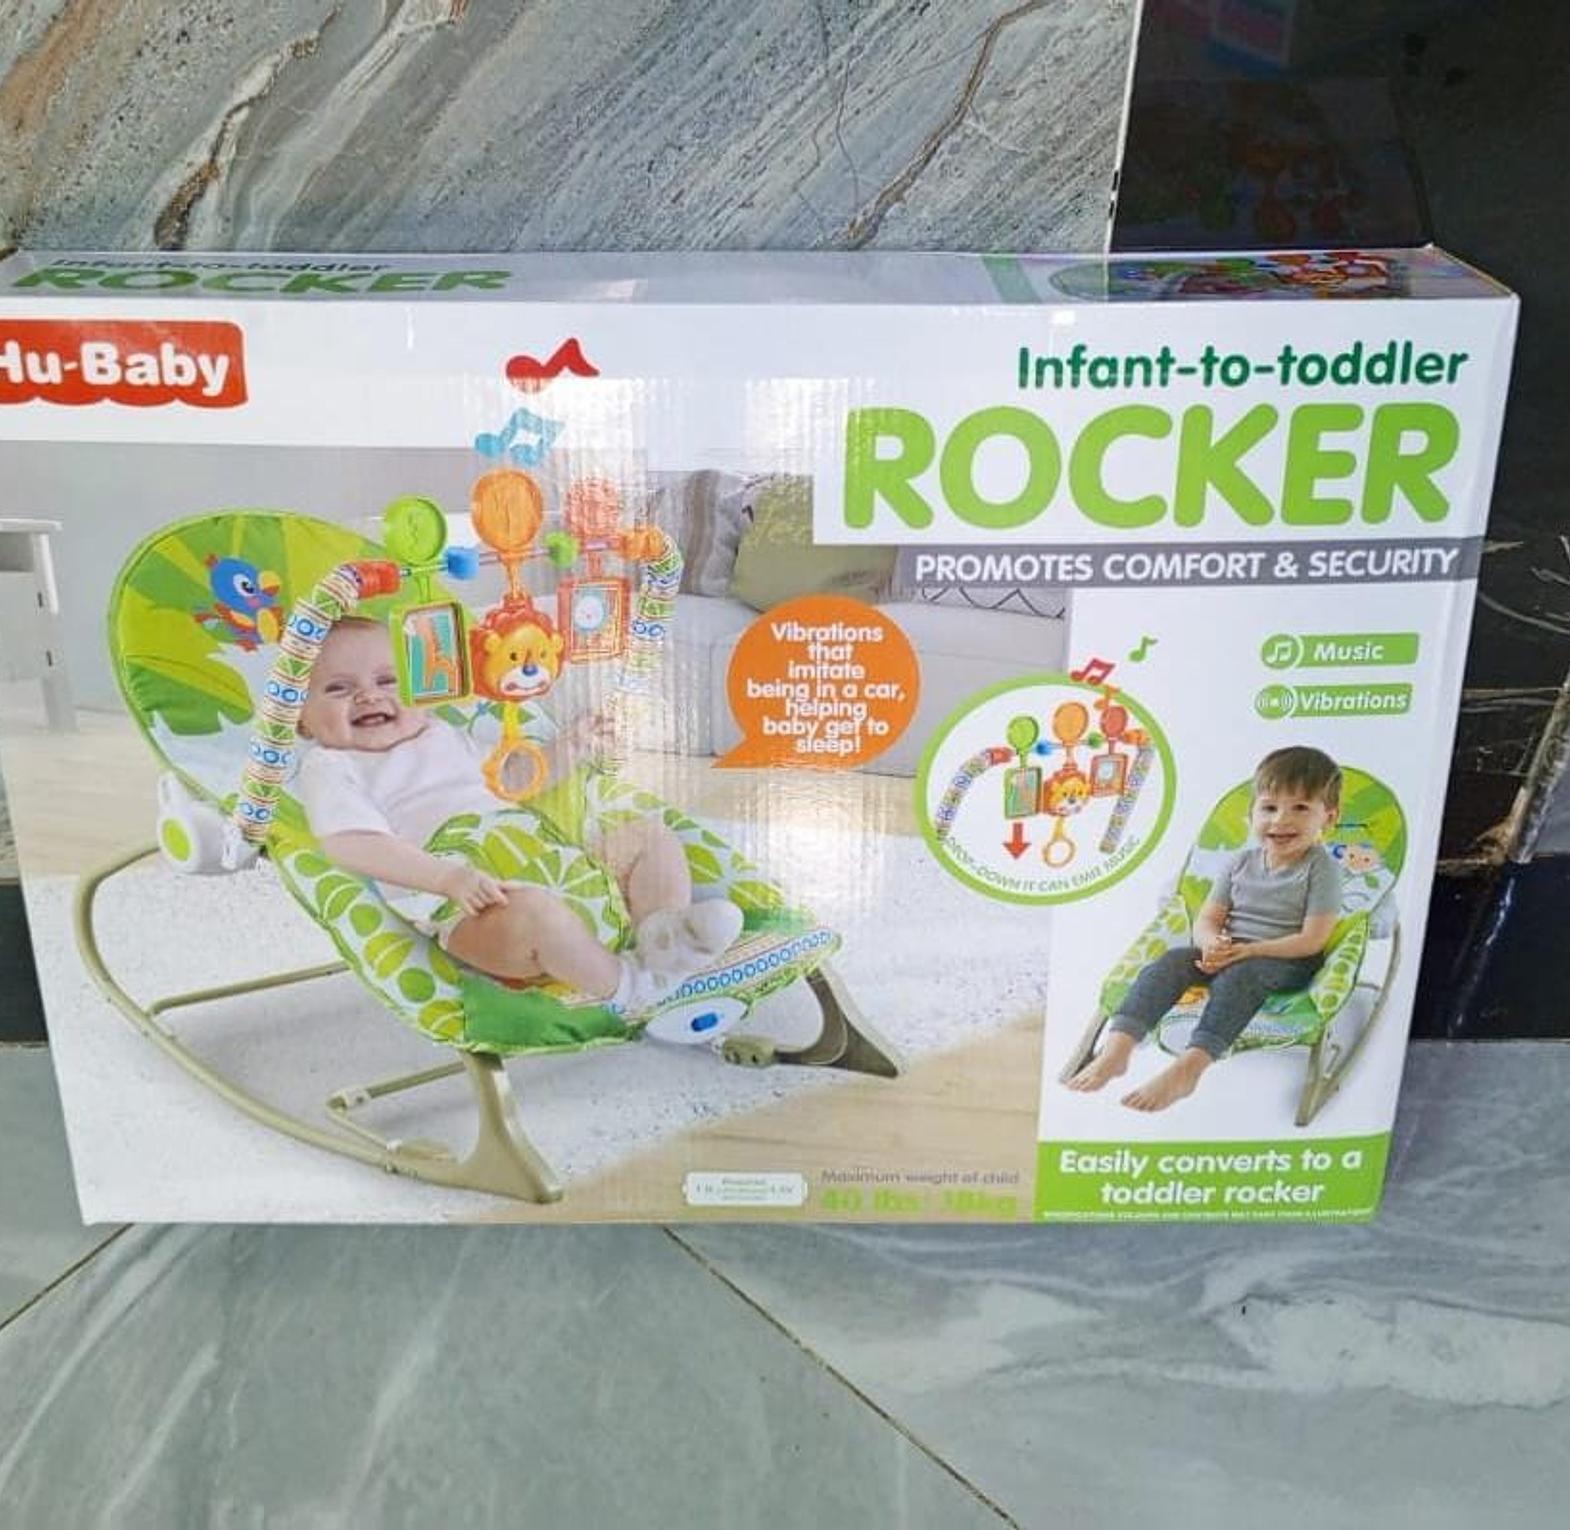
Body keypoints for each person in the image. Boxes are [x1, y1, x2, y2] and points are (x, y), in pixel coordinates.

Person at [295, 617, 741, 1016]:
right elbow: (350, 842)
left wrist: (569, 748)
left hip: (565, 869)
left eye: (389, 680)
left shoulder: (442, 735)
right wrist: (447, 878)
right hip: (476, 909)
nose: (369, 695)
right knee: (537, 914)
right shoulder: (331, 766)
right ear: (301, 719)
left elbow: (511, 780)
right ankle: (632, 988)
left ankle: (662, 934)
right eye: (338, 689)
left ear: (426, 692)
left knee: (649, 836)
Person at [1068, 745, 1344, 1111]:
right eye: (1269, 808)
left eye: (1301, 808)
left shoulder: (1322, 868)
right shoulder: (1238, 863)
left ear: (1329, 817)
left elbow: (1312, 940)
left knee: (1240, 977)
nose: (1281, 820)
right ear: (1251, 814)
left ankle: (1190, 1066)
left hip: (1287, 959)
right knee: (1170, 962)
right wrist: (1211, 943)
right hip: (1230, 952)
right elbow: (1208, 919)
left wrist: (1250, 951)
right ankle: (1117, 1050)